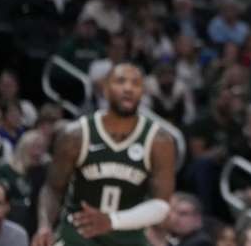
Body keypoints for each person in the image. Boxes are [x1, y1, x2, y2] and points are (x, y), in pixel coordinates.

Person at [31, 64, 176, 246]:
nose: (128, 88)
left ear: (143, 92)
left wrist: (112, 221)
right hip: (77, 237)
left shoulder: (159, 141)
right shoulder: (75, 135)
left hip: (129, 240)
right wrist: (44, 226)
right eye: (120, 81)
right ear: (105, 89)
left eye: (136, 83)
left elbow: (162, 205)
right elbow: (53, 188)